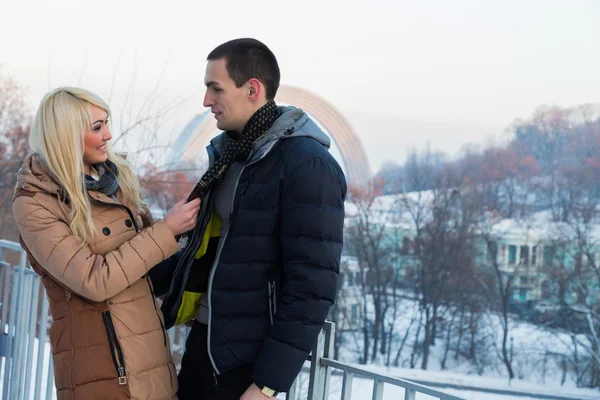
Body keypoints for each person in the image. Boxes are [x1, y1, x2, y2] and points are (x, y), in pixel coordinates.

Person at [157, 38, 347, 400]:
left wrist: (267, 384)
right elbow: (209, 250)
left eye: (216, 89)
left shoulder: (308, 165)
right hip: (206, 346)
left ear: (253, 89)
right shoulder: (230, 156)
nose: (206, 101)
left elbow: (311, 288)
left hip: (247, 366)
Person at [12, 87, 201, 400]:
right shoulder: (35, 203)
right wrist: (167, 229)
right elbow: (93, 280)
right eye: (97, 127)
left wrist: (191, 236)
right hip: (103, 371)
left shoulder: (117, 181)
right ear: (66, 134)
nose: (109, 135)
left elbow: (146, 266)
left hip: (152, 360)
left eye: (107, 123)